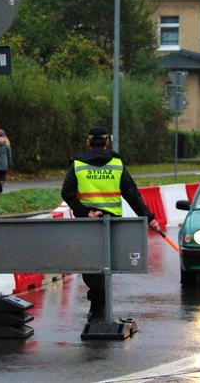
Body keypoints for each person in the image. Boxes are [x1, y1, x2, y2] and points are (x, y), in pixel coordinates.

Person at [61, 126, 161, 322]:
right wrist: (149, 218)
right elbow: (132, 194)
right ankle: (100, 308)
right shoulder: (117, 164)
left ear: (88, 142)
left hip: (87, 225)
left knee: (91, 266)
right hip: (112, 225)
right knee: (106, 266)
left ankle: (98, 308)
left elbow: (67, 193)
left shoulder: (78, 164)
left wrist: (86, 212)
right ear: (106, 142)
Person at [0, 128, 12, 193]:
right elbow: (9, 154)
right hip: (4, 161)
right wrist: (10, 161)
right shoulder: (7, 142)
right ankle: (2, 181)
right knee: (3, 175)